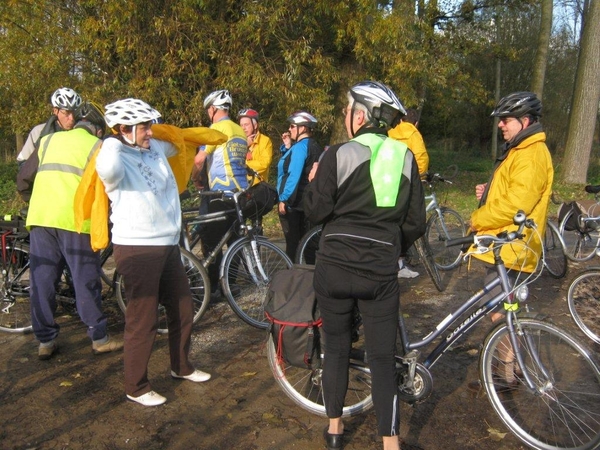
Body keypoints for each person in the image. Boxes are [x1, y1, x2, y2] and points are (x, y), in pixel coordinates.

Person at [304, 81, 426, 450]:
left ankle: (336, 432)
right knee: (383, 358)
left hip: (335, 266)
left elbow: (315, 213)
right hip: (379, 271)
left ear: (360, 115)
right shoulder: (406, 158)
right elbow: (415, 222)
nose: (345, 118)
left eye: (346, 112)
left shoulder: (337, 155)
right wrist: (392, 247)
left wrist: (314, 182)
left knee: (336, 348)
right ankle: (390, 443)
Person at [96, 98, 211, 407]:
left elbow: (180, 141)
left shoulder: (154, 148)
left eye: (149, 125)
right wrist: (111, 141)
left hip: (167, 244)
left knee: (183, 307)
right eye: (143, 127)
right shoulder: (115, 159)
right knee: (142, 320)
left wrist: (214, 134)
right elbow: (106, 166)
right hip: (136, 248)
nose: (150, 132)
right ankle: (135, 386)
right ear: (124, 129)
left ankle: (181, 366)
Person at [24, 102, 123, 361]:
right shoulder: (96, 147)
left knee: (42, 281)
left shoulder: (47, 141)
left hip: (41, 218)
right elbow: (108, 188)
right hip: (76, 222)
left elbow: (23, 178)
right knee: (84, 279)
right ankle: (99, 339)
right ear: (97, 129)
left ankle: (45, 341)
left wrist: (35, 201)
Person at [469, 91, 553, 384]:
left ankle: (505, 371)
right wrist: (488, 192)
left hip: (512, 247)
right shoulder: (521, 150)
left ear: (525, 120)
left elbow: (516, 205)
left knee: (499, 310)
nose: (500, 125)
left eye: (506, 120)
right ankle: (512, 365)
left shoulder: (530, 155)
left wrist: (477, 219)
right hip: (507, 246)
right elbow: (512, 192)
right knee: (504, 308)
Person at [193, 90, 249, 293]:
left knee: (211, 243)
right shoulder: (240, 130)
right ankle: (231, 285)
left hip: (218, 194)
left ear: (213, 109)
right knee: (234, 241)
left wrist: (195, 180)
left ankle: (213, 288)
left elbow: (200, 160)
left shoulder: (216, 129)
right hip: (240, 194)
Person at [388, 108, 430, 279]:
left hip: (388, 180)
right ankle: (400, 264)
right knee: (410, 222)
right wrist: (420, 176)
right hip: (407, 181)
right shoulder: (413, 133)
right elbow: (421, 158)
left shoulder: (390, 131)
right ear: (416, 123)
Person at [277, 111, 323, 262]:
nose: (289, 130)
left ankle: (292, 278)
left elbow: (294, 174)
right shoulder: (315, 146)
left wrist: (284, 199)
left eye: (292, 126)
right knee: (309, 245)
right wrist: (287, 146)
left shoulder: (300, 147)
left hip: (295, 204)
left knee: (293, 247)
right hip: (310, 202)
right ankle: (309, 277)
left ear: (302, 128)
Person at [17, 87, 82, 166]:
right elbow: (23, 163)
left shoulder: (83, 134)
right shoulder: (39, 131)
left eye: (74, 113)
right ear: (55, 111)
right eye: (66, 113)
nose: (71, 118)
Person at [238, 108, 273, 185]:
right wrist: (245, 145)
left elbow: (263, 164)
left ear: (255, 125)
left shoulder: (265, 141)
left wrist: (243, 164)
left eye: (246, 125)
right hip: (239, 185)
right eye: (241, 125)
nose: (243, 128)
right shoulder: (238, 141)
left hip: (257, 186)